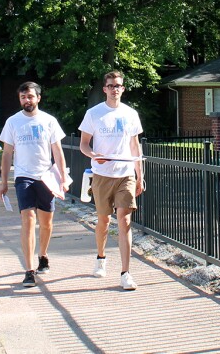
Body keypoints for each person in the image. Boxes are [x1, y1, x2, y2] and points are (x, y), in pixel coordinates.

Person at [0, 82, 68, 287]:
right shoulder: (13, 122)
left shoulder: (49, 121)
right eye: (23, 97)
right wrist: (3, 182)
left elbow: (58, 152)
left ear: (38, 98)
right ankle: (29, 271)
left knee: (45, 222)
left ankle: (43, 255)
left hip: (46, 177)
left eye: (30, 96)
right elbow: (7, 153)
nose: (26, 100)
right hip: (23, 177)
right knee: (28, 219)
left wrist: (63, 178)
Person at [79, 70, 144, 291]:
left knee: (124, 221)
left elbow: (135, 146)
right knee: (104, 220)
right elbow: (84, 144)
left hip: (125, 173)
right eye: (111, 85)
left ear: (123, 88)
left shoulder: (131, 114)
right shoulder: (94, 114)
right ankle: (100, 257)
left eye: (118, 85)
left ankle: (126, 273)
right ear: (104, 89)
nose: (115, 89)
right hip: (102, 174)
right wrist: (93, 155)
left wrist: (139, 176)